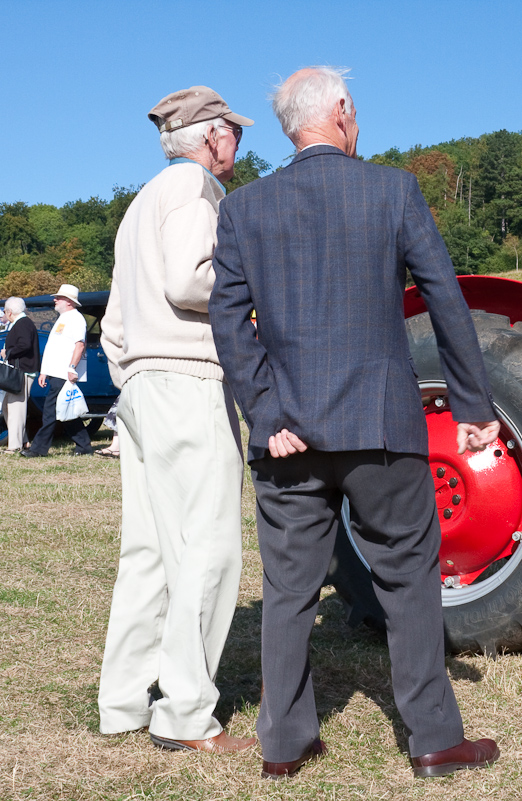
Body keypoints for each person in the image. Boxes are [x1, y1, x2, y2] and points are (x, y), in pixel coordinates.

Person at [209, 66, 502, 780]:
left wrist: (266, 411)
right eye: (356, 108)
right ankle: (433, 740)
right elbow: (443, 297)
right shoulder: (391, 189)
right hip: (380, 425)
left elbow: (226, 319)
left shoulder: (244, 207)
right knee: (406, 578)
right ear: (339, 111)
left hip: (287, 436)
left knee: (287, 590)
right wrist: (472, 407)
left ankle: (282, 743)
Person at [97, 86, 257, 754]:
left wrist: (133, 372)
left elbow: (114, 322)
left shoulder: (142, 201)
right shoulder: (196, 189)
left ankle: (123, 701)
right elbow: (191, 281)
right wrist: (253, 293)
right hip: (186, 378)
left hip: (139, 380)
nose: (239, 146)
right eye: (235, 134)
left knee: (150, 552)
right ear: (212, 136)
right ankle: (186, 713)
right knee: (209, 545)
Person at [22, 284, 92, 457]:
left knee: (50, 410)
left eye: (58, 298)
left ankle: (38, 449)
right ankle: (84, 447)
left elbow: (79, 345)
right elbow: (54, 348)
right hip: (56, 373)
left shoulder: (76, 319)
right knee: (65, 411)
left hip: (64, 373)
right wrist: (44, 371)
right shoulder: (63, 318)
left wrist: (72, 367)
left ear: (69, 302)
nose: (55, 300)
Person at [1, 297, 40, 454]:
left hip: (22, 372)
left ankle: (14, 446)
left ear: (10, 312)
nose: (4, 314)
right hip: (20, 371)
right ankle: (23, 441)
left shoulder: (23, 324)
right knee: (8, 407)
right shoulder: (23, 323)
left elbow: (24, 345)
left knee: (16, 409)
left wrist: (7, 352)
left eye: (4, 311)